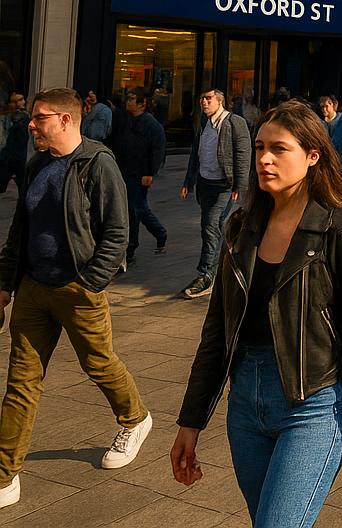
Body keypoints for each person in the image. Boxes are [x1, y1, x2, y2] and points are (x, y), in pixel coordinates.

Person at [172, 102, 342, 525]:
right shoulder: (241, 228)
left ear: (313, 156)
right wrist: (191, 420)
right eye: (260, 147)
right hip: (245, 406)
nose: (264, 159)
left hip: (314, 404)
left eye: (279, 148)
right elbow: (216, 332)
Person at [0, 89, 153, 510]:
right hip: (33, 288)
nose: (31, 124)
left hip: (77, 289)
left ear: (66, 120)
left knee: (99, 364)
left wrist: (89, 284)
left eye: (40, 118)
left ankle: (136, 419)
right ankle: (5, 475)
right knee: (21, 384)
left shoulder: (98, 165)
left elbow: (117, 234)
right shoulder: (36, 165)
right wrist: (6, 283)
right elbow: (20, 228)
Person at [180, 89, 251, 299]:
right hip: (205, 183)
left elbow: (243, 153)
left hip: (225, 185)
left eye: (208, 98)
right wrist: (188, 181)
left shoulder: (234, 122)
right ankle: (232, 264)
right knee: (218, 226)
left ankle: (205, 274)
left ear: (220, 101)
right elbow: (196, 152)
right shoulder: (203, 123)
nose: (203, 102)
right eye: (202, 98)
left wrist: (239, 185)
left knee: (209, 225)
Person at [115, 87, 168, 267]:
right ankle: (160, 233)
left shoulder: (151, 125)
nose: (128, 102)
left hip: (139, 173)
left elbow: (158, 150)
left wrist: (149, 172)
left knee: (133, 209)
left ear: (142, 103)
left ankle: (130, 248)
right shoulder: (126, 120)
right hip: (125, 170)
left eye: (132, 99)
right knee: (138, 207)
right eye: (128, 98)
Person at [321, 95, 342, 185]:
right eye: (322, 107)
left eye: (326, 106)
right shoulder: (321, 124)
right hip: (327, 167)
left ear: (333, 105)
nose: (324, 109)